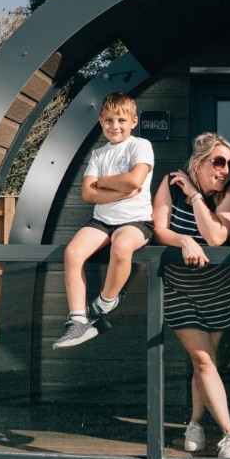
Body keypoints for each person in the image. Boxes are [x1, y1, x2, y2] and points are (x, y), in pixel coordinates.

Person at [152, 133, 230, 459]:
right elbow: (159, 229)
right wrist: (183, 241)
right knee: (204, 360)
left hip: (219, 290)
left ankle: (194, 423)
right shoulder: (170, 183)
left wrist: (194, 196)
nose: (225, 170)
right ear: (197, 163)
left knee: (204, 362)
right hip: (180, 290)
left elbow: (216, 236)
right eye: (218, 162)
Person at [53, 92, 154, 349]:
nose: (115, 126)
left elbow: (135, 180)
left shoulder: (140, 145)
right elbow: (87, 193)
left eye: (121, 120)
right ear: (100, 121)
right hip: (102, 221)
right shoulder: (98, 154)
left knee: (122, 245)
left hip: (136, 221)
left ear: (133, 121)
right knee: (73, 252)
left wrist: (104, 182)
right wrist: (120, 190)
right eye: (109, 120)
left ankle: (103, 304)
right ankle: (77, 320)